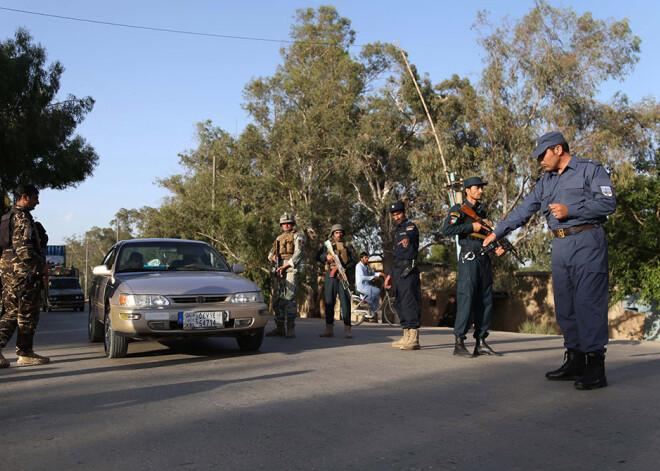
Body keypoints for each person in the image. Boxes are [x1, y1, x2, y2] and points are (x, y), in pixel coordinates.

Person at [483, 131, 616, 390]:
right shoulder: (546, 181)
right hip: (561, 245)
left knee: (588, 303)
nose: (539, 161)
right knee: (565, 305)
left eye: (542, 155)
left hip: (587, 240)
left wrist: (572, 210)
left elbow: (608, 203)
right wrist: (497, 231)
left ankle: (595, 367)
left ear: (557, 149)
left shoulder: (590, 170)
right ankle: (575, 359)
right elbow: (525, 209)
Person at [442, 176, 505, 358]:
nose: (481, 191)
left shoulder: (482, 212)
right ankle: (459, 343)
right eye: (477, 188)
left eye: (482, 188)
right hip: (468, 258)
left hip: (484, 258)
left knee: (485, 300)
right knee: (466, 298)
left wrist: (497, 247)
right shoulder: (459, 210)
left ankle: (481, 342)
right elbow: (447, 230)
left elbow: (484, 236)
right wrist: (470, 227)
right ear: (467, 190)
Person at [0, 184, 49, 368]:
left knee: (11, 312)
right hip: (22, 274)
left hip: (9, 272)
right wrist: (40, 266)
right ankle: (25, 353)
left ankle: (25, 351)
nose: (38, 202)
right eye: (35, 197)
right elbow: (24, 249)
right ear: (25, 197)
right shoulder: (21, 218)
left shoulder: (7, 216)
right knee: (27, 313)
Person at [385, 201, 422, 350]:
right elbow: (396, 257)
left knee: (409, 302)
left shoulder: (410, 227)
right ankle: (406, 333)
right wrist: (390, 275)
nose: (397, 217)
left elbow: (412, 235)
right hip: (398, 269)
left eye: (399, 214)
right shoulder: (397, 231)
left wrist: (408, 239)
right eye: (394, 215)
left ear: (404, 212)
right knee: (400, 302)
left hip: (408, 269)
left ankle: (414, 337)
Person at [266, 213, 304, 338]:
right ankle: (279, 327)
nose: (286, 225)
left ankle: (290, 328)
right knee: (277, 299)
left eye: (288, 223)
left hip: (290, 270)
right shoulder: (278, 238)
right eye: (284, 224)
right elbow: (270, 254)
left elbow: (299, 253)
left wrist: (286, 266)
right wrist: (274, 257)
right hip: (278, 269)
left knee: (289, 299)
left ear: (292, 224)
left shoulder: (297, 236)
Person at [318, 224, 357, 338]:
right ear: (333, 234)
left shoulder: (348, 246)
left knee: (345, 302)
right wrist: (326, 257)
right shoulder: (327, 246)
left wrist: (345, 268)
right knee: (329, 302)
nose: (339, 234)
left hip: (343, 276)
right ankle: (329, 329)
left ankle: (347, 329)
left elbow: (354, 261)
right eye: (336, 232)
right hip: (331, 276)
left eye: (340, 232)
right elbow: (318, 256)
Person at [355, 252, 384, 318]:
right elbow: (362, 277)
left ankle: (371, 314)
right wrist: (373, 277)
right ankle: (364, 302)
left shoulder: (367, 266)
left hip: (366, 286)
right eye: (366, 257)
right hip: (361, 286)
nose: (367, 259)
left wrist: (380, 274)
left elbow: (373, 273)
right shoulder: (359, 266)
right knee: (377, 291)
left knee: (376, 299)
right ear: (361, 258)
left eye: (368, 257)